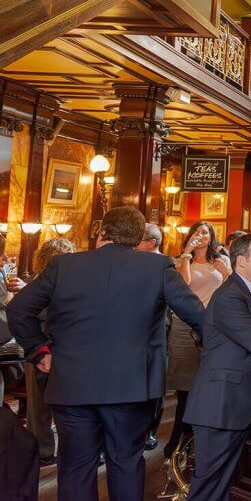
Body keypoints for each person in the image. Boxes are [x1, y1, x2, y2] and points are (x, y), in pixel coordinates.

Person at [7, 206, 204, 500]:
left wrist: (39, 350)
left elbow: (18, 308)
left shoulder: (64, 265)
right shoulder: (157, 267)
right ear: (139, 237)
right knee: (125, 463)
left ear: (101, 231)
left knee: (75, 468)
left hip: (72, 384)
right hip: (133, 386)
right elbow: (198, 316)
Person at [184, 233, 251, 501]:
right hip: (219, 405)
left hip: (238, 404)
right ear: (241, 261)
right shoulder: (230, 297)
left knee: (222, 484)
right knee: (209, 486)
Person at [165, 221, 231, 460]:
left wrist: (227, 272)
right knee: (185, 387)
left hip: (211, 326)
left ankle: (197, 437)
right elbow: (185, 285)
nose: (201, 235)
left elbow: (230, 288)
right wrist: (187, 253)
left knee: (205, 383)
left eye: (206, 232)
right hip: (184, 325)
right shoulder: (179, 261)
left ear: (212, 237)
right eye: (197, 231)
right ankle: (177, 439)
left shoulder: (220, 260)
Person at [23, 237, 75, 466]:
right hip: (66, 348)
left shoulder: (36, 281)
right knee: (68, 405)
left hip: (37, 347)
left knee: (37, 407)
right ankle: (70, 450)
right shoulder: (75, 282)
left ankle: (42, 452)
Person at [136, 223, 165, 451]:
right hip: (132, 335)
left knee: (154, 387)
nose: (135, 245)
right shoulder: (130, 264)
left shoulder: (164, 265)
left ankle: (149, 432)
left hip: (156, 334)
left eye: (140, 241)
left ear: (152, 243)